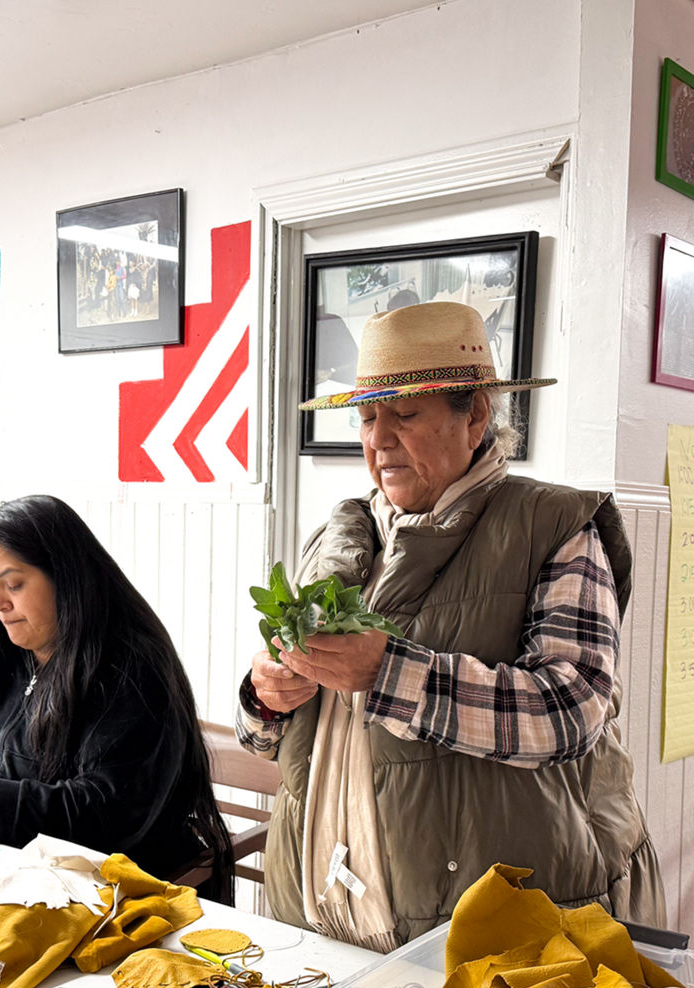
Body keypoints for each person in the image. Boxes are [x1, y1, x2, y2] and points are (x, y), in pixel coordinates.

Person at [238, 300, 664, 951]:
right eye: (368, 416)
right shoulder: (338, 535)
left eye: (405, 415)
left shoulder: (553, 528)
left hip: (487, 935)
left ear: (477, 415)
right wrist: (265, 697)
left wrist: (387, 673)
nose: (379, 439)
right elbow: (263, 737)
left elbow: (572, 708)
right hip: (318, 923)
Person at [0, 494, 233, 902]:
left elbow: (102, 817)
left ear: (66, 579)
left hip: (103, 898)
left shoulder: (134, 671)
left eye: (13, 584)